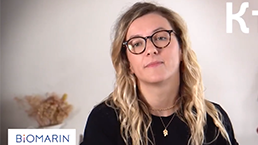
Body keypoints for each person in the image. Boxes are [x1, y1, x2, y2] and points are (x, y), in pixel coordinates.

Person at [80, 2, 239, 145]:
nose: (151, 49)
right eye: (137, 43)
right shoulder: (105, 121)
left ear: (181, 49)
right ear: (128, 63)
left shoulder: (214, 120)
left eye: (161, 37)